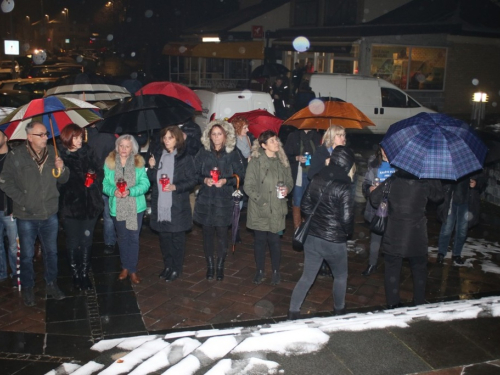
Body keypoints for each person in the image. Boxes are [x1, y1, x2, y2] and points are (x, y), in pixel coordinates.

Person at [0, 121, 69, 306]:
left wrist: (62, 169)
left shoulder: (53, 152)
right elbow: (5, 182)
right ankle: (29, 288)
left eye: (46, 133)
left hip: (49, 213)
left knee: (51, 252)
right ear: (29, 137)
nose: (46, 137)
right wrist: (23, 200)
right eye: (41, 134)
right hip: (26, 215)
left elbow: (63, 178)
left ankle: (51, 283)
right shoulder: (16, 156)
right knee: (27, 255)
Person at [288, 146, 356, 319]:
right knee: (340, 276)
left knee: (307, 277)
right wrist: (346, 233)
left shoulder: (318, 177)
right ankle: (339, 310)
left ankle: (293, 311)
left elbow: (304, 205)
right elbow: (347, 219)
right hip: (334, 241)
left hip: (312, 237)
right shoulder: (345, 186)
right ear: (347, 164)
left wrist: (317, 219)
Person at [370, 168, 443, 308]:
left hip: (394, 232)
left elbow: (374, 200)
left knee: (392, 268)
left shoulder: (393, 180)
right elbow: (439, 196)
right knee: (419, 269)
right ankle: (419, 303)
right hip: (416, 234)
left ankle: (392, 303)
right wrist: (433, 175)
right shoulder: (425, 181)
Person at [194, 119, 245, 281]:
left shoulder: (233, 152)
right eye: (213, 134)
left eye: (219, 134)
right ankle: (210, 266)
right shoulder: (203, 152)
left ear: (225, 136)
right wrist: (204, 180)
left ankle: (221, 266)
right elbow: (194, 173)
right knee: (207, 234)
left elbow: (241, 174)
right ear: (209, 135)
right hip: (206, 199)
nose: (216, 137)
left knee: (223, 234)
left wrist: (226, 180)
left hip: (224, 199)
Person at [58, 124, 103, 290]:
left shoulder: (88, 151)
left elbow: (100, 171)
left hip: (90, 205)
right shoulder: (60, 156)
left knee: (86, 241)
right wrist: (60, 170)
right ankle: (75, 274)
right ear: (67, 138)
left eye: (80, 137)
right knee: (72, 241)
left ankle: (84, 274)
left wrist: (93, 176)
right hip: (70, 207)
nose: (79, 141)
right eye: (75, 137)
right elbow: (58, 184)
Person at [148, 126, 196, 282]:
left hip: (176, 205)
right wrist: (152, 167)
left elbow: (192, 180)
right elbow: (151, 179)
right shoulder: (158, 156)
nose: (167, 141)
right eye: (165, 138)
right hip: (160, 204)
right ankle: (168, 266)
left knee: (177, 239)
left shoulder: (185, 158)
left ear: (177, 140)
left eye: (170, 138)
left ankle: (176, 268)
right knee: (164, 238)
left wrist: (176, 186)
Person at [244, 130, 293, 285]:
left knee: (275, 241)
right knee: (259, 241)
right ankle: (259, 271)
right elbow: (248, 186)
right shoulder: (256, 162)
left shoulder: (283, 161)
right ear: (264, 145)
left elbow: (290, 182)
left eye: (276, 140)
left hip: (277, 208)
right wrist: (262, 200)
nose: (276, 143)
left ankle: (276, 271)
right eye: (272, 141)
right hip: (260, 208)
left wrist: (287, 190)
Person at [103, 135, 150, 284]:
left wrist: (131, 191)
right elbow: (104, 184)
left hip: (135, 206)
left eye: (127, 146)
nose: (124, 149)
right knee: (123, 237)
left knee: (133, 238)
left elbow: (145, 184)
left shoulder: (138, 163)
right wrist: (113, 191)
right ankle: (125, 267)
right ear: (117, 147)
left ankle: (133, 269)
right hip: (118, 205)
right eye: (121, 145)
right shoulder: (109, 163)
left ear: (133, 148)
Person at [436, 173, 486, 265]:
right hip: (451, 201)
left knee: (462, 231)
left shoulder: (474, 166)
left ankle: (456, 254)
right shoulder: (451, 163)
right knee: (446, 229)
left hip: (467, 203)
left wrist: (476, 183)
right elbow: (441, 181)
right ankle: (441, 253)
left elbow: (483, 181)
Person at [361, 146, 395, 276]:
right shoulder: (374, 164)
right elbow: (365, 183)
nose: (385, 153)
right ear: (380, 150)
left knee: (391, 239)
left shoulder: (398, 165)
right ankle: (372, 264)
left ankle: (390, 268)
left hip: (393, 207)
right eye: (383, 150)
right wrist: (370, 188)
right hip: (377, 207)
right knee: (375, 237)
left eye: (388, 150)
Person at [87, 125, 118, 255]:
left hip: (97, 179)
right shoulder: (109, 135)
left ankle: (89, 240)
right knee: (108, 214)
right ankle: (110, 242)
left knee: (100, 213)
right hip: (105, 179)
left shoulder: (88, 136)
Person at [284, 129, 322, 230]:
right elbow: (285, 155)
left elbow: (320, 154)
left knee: (310, 200)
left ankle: (307, 226)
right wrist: (297, 158)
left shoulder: (317, 137)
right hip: (299, 174)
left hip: (313, 174)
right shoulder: (293, 136)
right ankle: (297, 229)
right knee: (298, 199)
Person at [0, 130, 18, 287]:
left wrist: (15, 205)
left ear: (6, 138)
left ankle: (16, 273)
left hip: (9, 208)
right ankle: (2, 273)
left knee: (13, 245)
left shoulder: (14, 158)